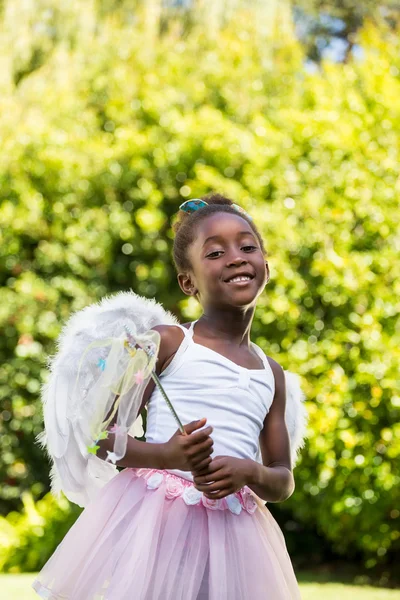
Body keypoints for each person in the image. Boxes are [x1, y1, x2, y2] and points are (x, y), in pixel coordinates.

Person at [32, 193, 302, 599]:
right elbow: (97, 439)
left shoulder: (272, 375)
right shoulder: (168, 344)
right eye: (215, 252)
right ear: (188, 281)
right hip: (159, 526)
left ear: (266, 265)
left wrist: (250, 472)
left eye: (248, 247)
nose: (235, 257)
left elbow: (282, 479)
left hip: (237, 538)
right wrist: (166, 456)